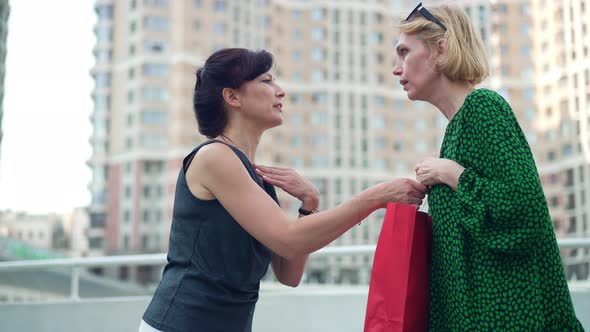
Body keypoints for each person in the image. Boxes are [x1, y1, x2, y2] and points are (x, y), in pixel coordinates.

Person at [139, 48, 427, 332]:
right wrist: (377, 196)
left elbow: (289, 274)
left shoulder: (256, 177)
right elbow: (289, 240)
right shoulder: (215, 157)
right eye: (266, 81)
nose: (280, 92)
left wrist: (308, 203)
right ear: (232, 96)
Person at [392, 2, 585, 331]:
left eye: (404, 52)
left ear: (440, 50)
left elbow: (525, 211)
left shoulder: (483, 108)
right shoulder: (456, 128)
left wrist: (452, 175)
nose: (396, 69)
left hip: (508, 317)